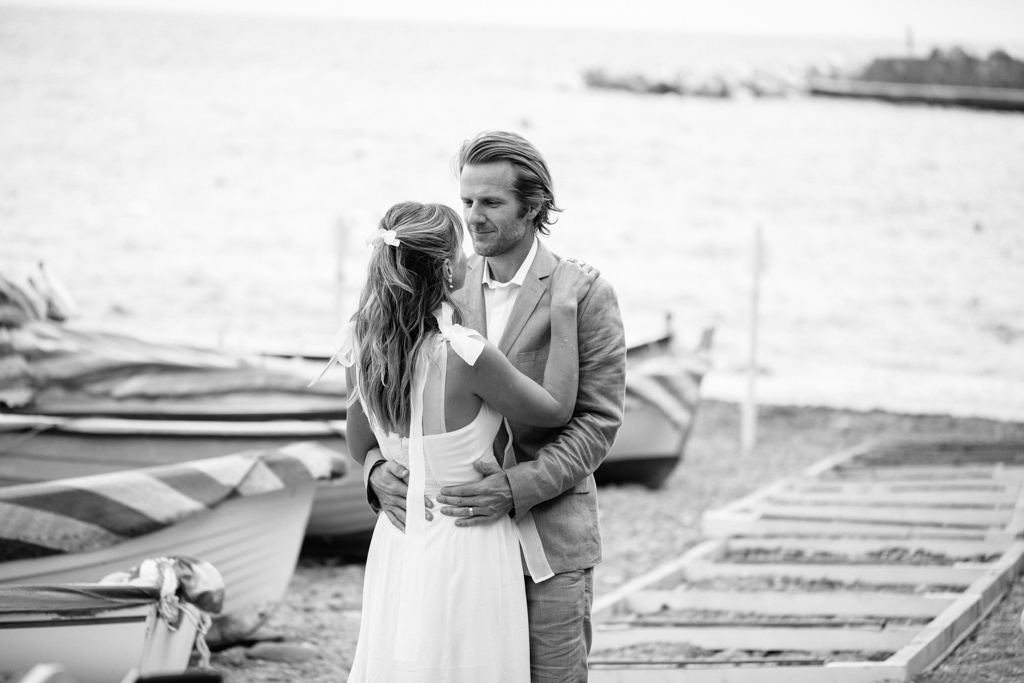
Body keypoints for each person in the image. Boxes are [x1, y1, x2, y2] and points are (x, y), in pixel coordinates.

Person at [366, 132, 627, 682]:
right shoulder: (439, 284)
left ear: (533, 208)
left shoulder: (583, 293)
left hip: (547, 542)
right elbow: (379, 388)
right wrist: (375, 472)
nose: (473, 218)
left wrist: (514, 489)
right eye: (466, 202)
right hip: (456, 549)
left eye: (490, 203)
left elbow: (597, 424)